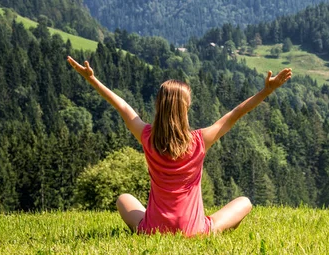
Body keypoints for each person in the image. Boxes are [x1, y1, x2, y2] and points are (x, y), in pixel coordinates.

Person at [67, 56, 292, 236]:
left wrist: (93, 80)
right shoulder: (200, 140)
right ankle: (212, 231)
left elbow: (123, 107)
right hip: (195, 231)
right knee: (244, 202)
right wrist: (266, 91)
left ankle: (145, 228)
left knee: (123, 199)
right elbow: (235, 114)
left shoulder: (147, 137)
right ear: (186, 108)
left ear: (158, 106)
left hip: (154, 230)